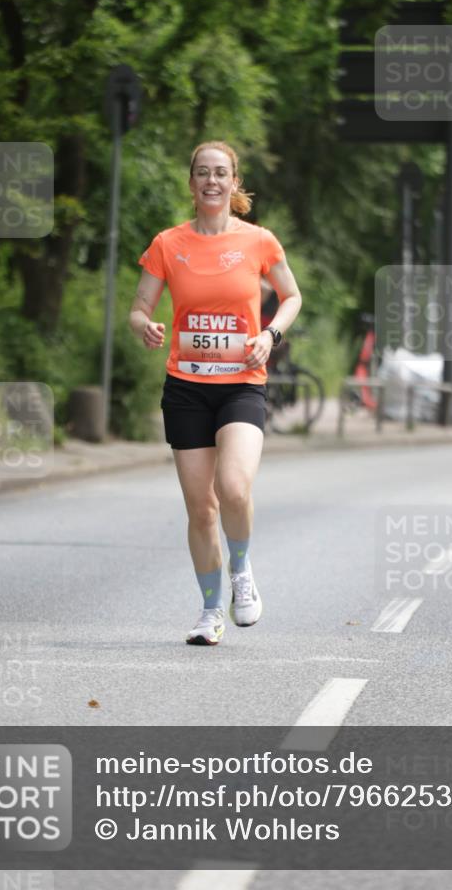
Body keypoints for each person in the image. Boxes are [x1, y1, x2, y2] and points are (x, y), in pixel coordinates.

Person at [129, 141, 302, 646]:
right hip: (186, 388)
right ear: (191, 183)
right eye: (202, 173)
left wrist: (269, 335)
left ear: (233, 182)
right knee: (200, 509)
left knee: (234, 488)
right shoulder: (168, 243)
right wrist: (145, 326)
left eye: (220, 173)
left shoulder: (259, 241)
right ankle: (209, 612)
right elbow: (139, 307)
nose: (211, 181)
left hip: (241, 386)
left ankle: (241, 571)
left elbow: (291, 296)